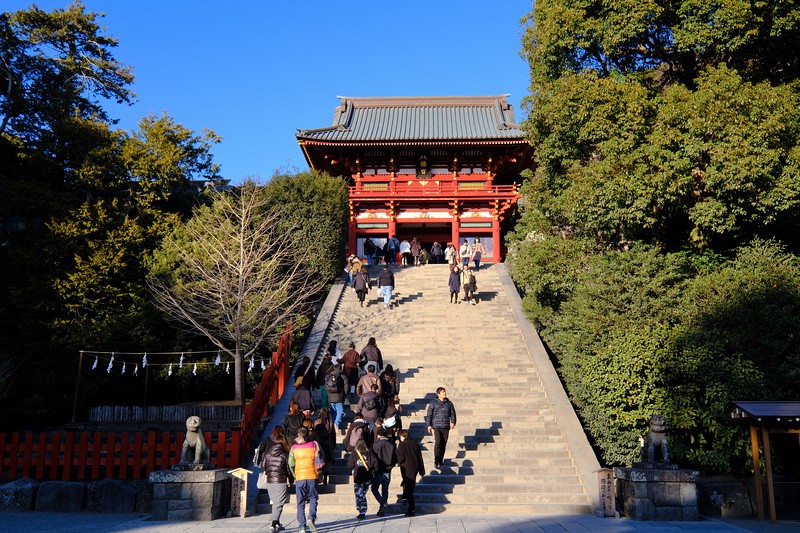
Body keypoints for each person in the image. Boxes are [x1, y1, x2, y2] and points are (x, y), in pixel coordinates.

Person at [288, 427, 320, 533]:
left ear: (298, 434)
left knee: (300, 502)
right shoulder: (314, 445)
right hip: (312, 476)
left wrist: (294, 475)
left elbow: (290, 463)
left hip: (300, 477)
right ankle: (311, 518)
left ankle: (302, 526)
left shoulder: (294, 448)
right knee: (313, 498)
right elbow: (319, 459)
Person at [261, 433, 291, 532]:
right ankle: (273, 524)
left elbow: (264, 466)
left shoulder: (268, 453)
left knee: (276, 503)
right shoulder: (284, 454)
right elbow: (288, 469)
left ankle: (277, 522)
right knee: (279, 503)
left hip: (270, 481)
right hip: (280, 480)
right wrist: (291, 479)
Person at [425, 386, 457, 469]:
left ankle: (441, 460)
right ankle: (437, 460)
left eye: (445, 392)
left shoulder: (449, 403)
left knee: (444, 443)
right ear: (438, 394)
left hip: (446, 426)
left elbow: (453, 413)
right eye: (443, 392)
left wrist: (453, 422)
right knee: (438, 442)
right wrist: (428, 425)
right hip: (437, 426)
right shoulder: (433, 403)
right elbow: (429, 414)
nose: (445, 393)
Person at [368, 427, 397, 517]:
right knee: (385, 489)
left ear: (378, 435)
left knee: (374, 488)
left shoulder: (375, 445)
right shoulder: (391, 445)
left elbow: (372, 458)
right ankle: (382, 507)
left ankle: (382, 502)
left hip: (378, 471)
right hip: (388, 470)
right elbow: (395, 458)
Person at [396, 429, 425, 516]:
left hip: (406, 468)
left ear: (401, 436)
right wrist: (421, 470)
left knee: (409, 488)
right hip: (415, 468)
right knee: (409, 486)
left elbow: (401, 459)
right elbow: (420, 458)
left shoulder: (401, 445)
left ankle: (410, 506)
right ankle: (408, 503)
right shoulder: (415, 443)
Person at [346, 438, 372, 519]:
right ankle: (361, 509)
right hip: (367, 476)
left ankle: (362, 510)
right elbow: (373, 463)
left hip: (358, 477)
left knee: (359, 494)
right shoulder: (369, 453)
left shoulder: (354, 454)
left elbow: (350, 465)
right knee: (362, 493)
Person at [319, 359, 347, 433]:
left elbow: (326, 386)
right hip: (339, 396)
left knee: (333, 411)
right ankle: (336, 424)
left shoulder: (329, 376)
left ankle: (333, 423)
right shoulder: (343, 376)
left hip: (330, 396)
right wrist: (344, 395)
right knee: (340, 411)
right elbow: (346, 387)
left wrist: (329, 393)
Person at [313, 408, 336, 485]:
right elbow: (333, 434)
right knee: (327, 461)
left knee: (319, 460)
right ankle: (326, 476)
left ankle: (319, 477)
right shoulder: (330, 422)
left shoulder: (317, 422)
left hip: (319, 442)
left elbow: (314, 433)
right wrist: (333, 444)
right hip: (328, 443)